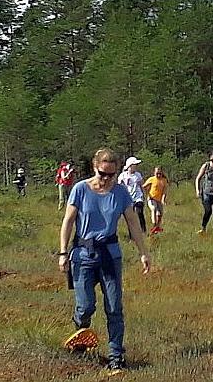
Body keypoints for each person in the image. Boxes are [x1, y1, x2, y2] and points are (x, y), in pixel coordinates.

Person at [56, 148, 155, 372]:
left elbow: (133, 223)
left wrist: (143, 252)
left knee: (114, 307)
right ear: (95, 168)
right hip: (83, 255)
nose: (106, 179)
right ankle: (80, 329)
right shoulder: (81, 189)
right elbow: (68, 222)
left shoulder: (120, 193)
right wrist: (63, 253)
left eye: (111, 175)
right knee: (86, 305)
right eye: (103, 174)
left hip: (110, 255)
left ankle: (116, 356)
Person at [117, 156, 149, 238]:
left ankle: (143, 230)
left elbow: (141, 185)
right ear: (130, 166)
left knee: (139, 212)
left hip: (138, 197)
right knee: (130, 217)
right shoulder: (123, 176)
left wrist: (144, 195)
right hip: (128, 199)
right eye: (135, 165)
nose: (136, 166)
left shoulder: (138, 175)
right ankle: (132, 235)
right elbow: (119, 187)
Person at [140, 166, 168, 235]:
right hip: (151, 198)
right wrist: (146, 193)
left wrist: (163, 200)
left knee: (160, 214)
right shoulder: (151, 179)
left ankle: (157, 227)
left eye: (160, 173)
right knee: (153, 208)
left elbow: (164, 191)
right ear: (154, 173)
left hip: (159, 200)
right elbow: (143, 186)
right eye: (157, 173)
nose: (158, 175)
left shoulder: (164, 180)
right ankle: (154, 225)